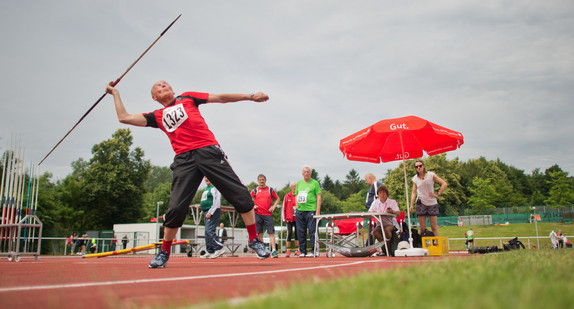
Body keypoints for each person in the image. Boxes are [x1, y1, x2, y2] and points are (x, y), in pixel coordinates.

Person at [106, 80, 271, 268]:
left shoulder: (188, 97)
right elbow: (124, 117)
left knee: (241, 195)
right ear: (155, 97)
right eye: (158, 87)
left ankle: (254, 241)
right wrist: (115, 93)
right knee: (175, 209)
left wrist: (250, 97)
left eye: (165, 84)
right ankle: (164, 253)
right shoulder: (156, 116)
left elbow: (221, 98)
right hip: (184, 160)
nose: (163, 86)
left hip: (207, 151)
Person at [408, 159, 447, 236]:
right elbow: (414, 192)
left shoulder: (431, 175)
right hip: (421, 203)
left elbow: (444, 183)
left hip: (432, 203)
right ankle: (421, 245)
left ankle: (436, 245)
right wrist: (411, 204)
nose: (418, 168)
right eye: (416, 167)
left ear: (423, 166)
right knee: (422, 228)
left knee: (434, 227)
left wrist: (438, 194)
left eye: (420, 166)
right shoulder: (415, 178)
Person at [251, 174, 280, 258]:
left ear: (265, 180)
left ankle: (274, 251)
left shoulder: (270, 190)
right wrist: (253, 205)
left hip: (268, 214)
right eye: (260, 179)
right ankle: (262, 251)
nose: (261, 181)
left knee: (271, 233)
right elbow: (248, 198)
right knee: (259, 233)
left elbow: (278, 199)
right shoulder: (255, 190)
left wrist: (273, 206)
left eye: (263, 179)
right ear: (258, 181)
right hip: (258, 214)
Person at [295, 165, 321, 257]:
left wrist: (317, 210)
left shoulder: (315, 183)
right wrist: (297, 206)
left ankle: (315, 250)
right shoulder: (299, 183)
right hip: (300, 210)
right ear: (302, 173)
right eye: (305, 172)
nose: (306, 173)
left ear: (310, 173)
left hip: (311, 210)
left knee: (312, 231)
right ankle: (303, 251)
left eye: (308, 172)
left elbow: (318, 196)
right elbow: (296, 195)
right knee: (300, 231)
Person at [368, 185, 400, 256]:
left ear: (387, 194)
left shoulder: (392, 202)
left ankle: (386, 249)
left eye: (384, 193)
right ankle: (385, 248)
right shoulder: (375, 203)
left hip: (390, 224)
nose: (382, 195)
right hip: (380, 224)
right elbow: (369, 212)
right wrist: (376, 213)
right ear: (378, 194)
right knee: (375, 232)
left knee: (386, 230)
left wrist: (392, 212)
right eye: (380, 193)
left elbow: (398, 213)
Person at [200, 177, 225, 259]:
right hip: (206, 211)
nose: (206, 179)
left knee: (209, 230)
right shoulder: (207, 189)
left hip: (213, 211)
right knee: (206, 232)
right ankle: (210, 250)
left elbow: (217, 201)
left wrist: (210, 212)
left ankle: (219, 247)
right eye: (204, 177)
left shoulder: (215, 188)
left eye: (208, 177)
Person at [282, 182, 300, 257]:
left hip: (297, 218)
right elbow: (284, 207)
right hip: (289, 218)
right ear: (290, 187)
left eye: (295, 186)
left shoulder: (299, 195)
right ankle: (288, 251)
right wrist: (284, 218)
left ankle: (297, 250)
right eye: (293, 186)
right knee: (289, 233)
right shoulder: (287, 196)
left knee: (297, 234)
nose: (294, 188)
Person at [364, 173, 382, 245]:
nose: (366, 182)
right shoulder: (374, 185)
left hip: (374, 212)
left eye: (366, 180)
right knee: (372, 229)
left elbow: (378, 197)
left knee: (373, 229)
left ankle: (368, 245)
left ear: (370, 178)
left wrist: (375, 209)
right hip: (372, 211)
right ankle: (369, 245)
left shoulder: (376, 184)